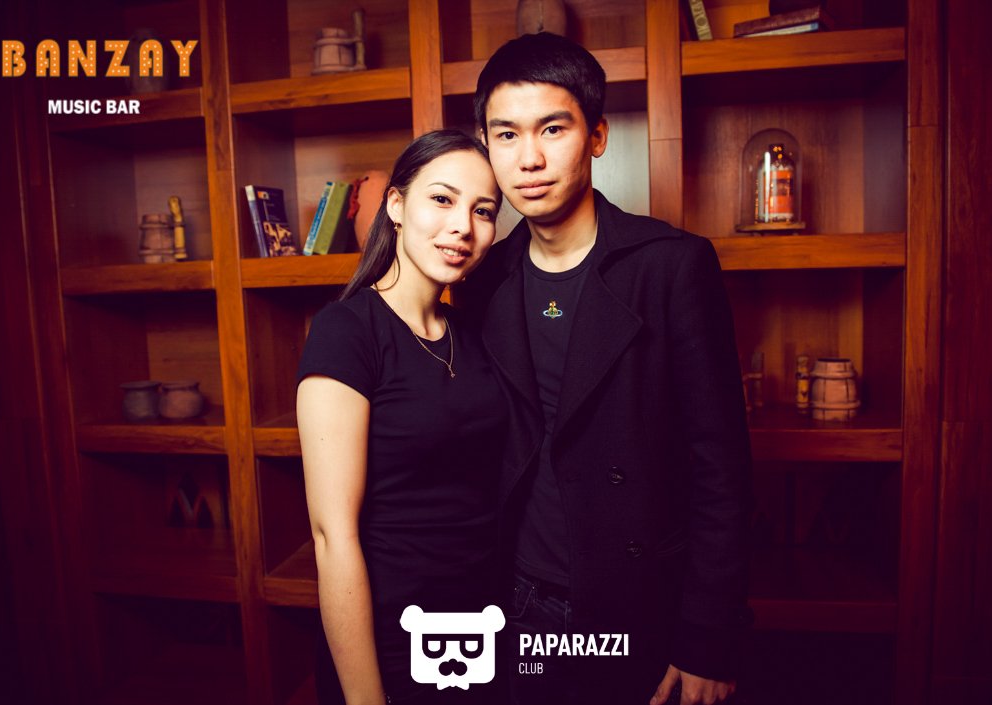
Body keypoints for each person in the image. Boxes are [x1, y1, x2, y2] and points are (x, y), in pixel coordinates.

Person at [458, 32, 753, 705]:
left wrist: (708, 638)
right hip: (521, 603)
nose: (529, 158)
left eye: (552, 129)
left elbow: (722, 468)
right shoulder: (483, 279)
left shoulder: (671, 265)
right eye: (506, 135)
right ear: (487, 145)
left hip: (641, 602)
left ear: (596, 135)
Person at [297, 129, 507, 705]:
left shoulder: (474, 333)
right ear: (395, 205)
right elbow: (332, 536)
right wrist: (367, 696)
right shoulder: (346, 331)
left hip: (484, 626)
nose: (463, 226)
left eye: (483, 210)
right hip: (392, 634)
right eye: (442, 199)